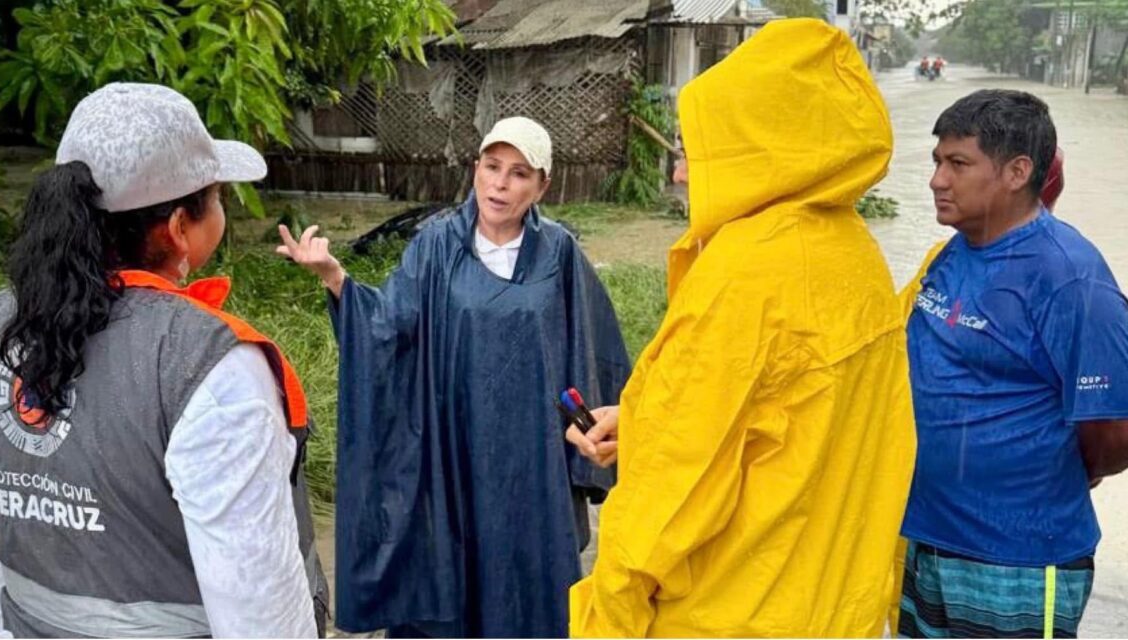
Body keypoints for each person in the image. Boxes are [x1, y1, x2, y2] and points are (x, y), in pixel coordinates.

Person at [0, 83, 325, 638]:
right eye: (218, 197)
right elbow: (256, 598)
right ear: (180, 226)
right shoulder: (207, 365)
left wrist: (14, 626)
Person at [566, 19, 916, 637]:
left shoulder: (745, 277)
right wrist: (645, 419)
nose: (680, 173)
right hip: (831, 610)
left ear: (763, 151)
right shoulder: (855, 253)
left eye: (697, 152)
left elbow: (666, 500)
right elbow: (783, 427)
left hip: (729, 614)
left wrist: (608, 619)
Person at [278, 116, 631, 638]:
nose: (500, 184)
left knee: (526, 585)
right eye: (492, 167)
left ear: (542, 186)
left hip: (530, 464)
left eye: (518, 174)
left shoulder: (560, 255)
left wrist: (592, 433)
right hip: (450, 449)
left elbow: (592, 351)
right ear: (476, 169)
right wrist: (335, 277)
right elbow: (388, 325)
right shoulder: (437, 245)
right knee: (449, 575)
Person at [897, 89, 1128, 639]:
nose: (937, 179)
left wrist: (1048, 474)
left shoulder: (1070, 278)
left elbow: (1115, 433)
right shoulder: (954, 253)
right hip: (929, 540)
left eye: (958, 163)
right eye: (936, 161)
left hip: (1017, 561)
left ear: (1017, 171)